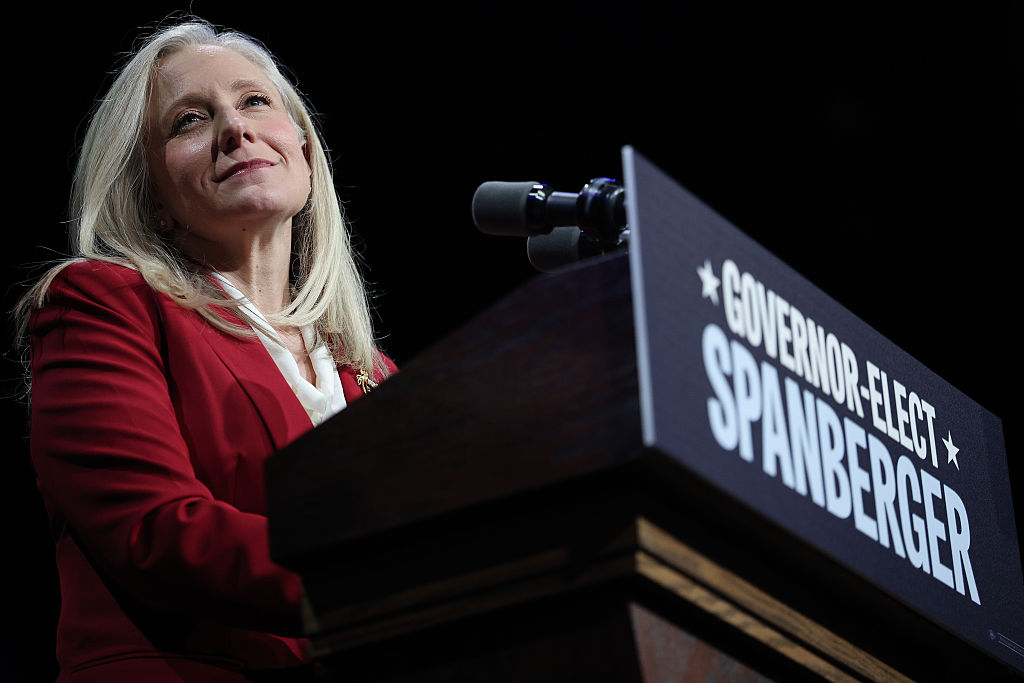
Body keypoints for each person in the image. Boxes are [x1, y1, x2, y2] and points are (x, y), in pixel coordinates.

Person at [16, 17, 395, 682]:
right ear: (151, 194)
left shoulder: (375, 375)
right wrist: (392, 574)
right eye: (190, 119)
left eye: (254, 101)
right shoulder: (104, 305)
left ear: (302, 148)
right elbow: (158, 531)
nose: (234, 129)